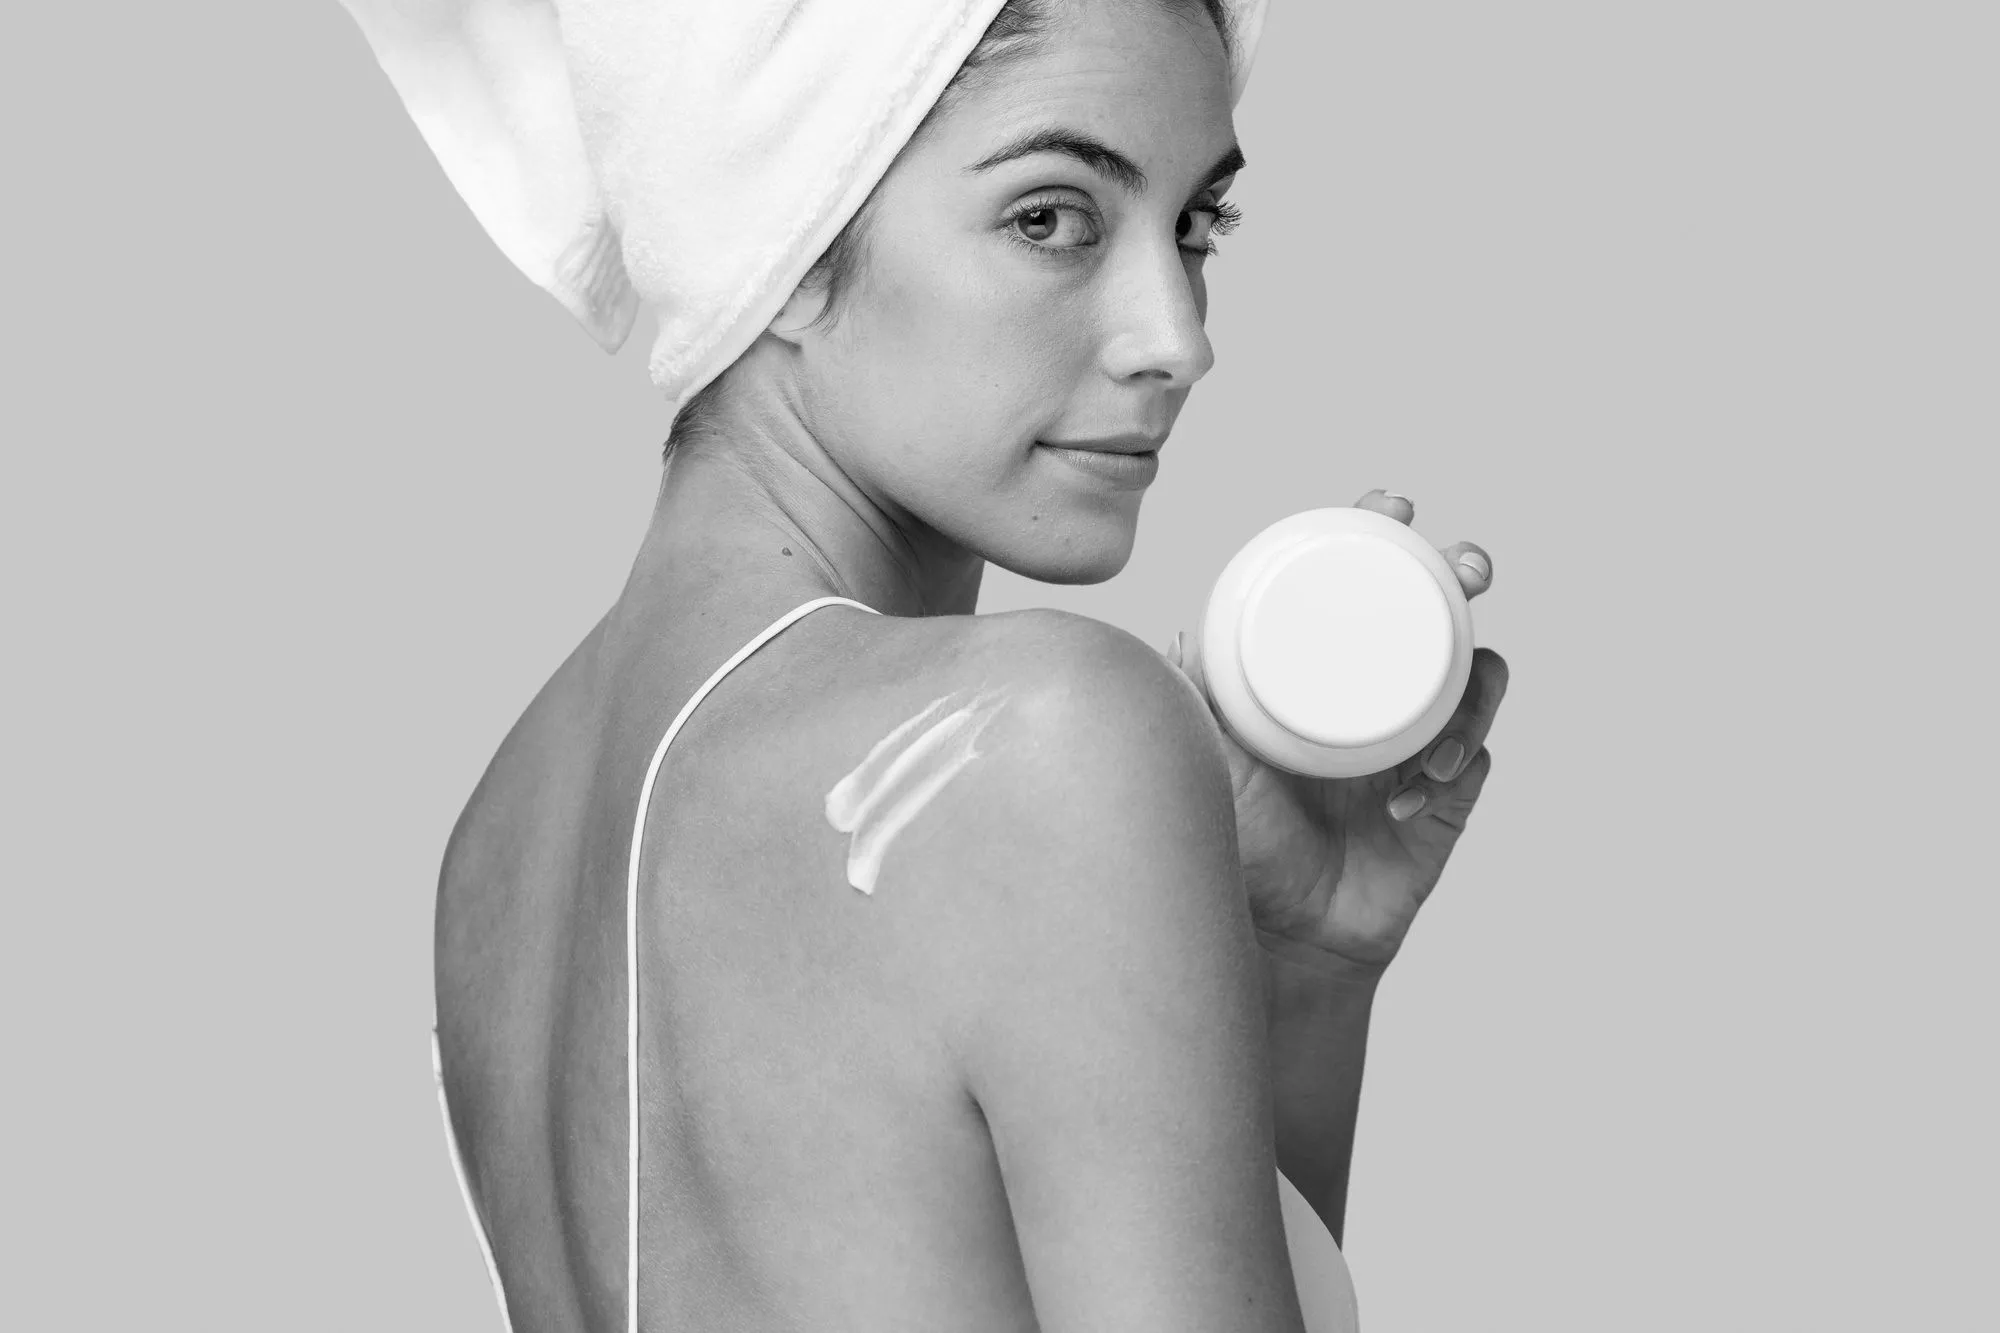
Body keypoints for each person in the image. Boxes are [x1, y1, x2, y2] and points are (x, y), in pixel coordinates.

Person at [404, 0, 1510, 1327]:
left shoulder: (502, 836)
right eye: (1052, 218)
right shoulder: (1051, 738)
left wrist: (1308, 969)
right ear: (792, 236)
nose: (1179, 337)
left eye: (1197, 229)